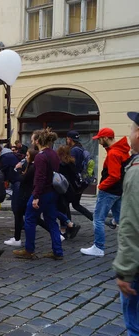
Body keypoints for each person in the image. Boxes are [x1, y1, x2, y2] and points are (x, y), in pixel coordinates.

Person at [14, 129, 63, 260]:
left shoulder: (41, 156)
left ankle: (29, 250)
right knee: (52, 221)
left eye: (32, 140)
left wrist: (36, 196)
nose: (31, 142)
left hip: (42, 193)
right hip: (53, 192)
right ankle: (58, 251)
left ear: (38, 141)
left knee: (29, 219)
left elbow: (39, 178)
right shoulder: (53, 154)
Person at [81, 128, 131, 257]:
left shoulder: (113, 153)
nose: (98, 141)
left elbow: (114, 176)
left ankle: (98, 247)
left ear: (106, 138)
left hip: (109, 191)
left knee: (98, 219)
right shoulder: (122, 151)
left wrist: (101, 186)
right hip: (118, 191)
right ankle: (131, 246)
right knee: (121, 219)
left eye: (99, 139)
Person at [113, 111, 139, 335]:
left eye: (131, 129)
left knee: (134, 321)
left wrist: (124, 271)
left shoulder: (137, 169)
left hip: (137, 266)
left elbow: (130, 223)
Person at [66, 130, 94, 221]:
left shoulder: (74, 150)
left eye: (67, 139)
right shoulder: (81, 148)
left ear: (69, 139)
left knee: (65, 203)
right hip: (81, 181)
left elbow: (73, 167)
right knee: (76, 204)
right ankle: (94, 219)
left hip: (74, 182)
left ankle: (69, 227)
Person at [56, 145, 82, 239]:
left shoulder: (61, 164)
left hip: (62, 189)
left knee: (62, 209)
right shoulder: (71, 162)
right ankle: (69, 227)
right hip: (70, 189)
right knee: (66, 208)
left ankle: (65, 230)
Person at [0, 145, 21, 221]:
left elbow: (0, 172)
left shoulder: (5, 157)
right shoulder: (8, 155)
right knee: (17, 205)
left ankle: (21, 224)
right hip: (16, 181)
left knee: (15, 206)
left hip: (17, 182)